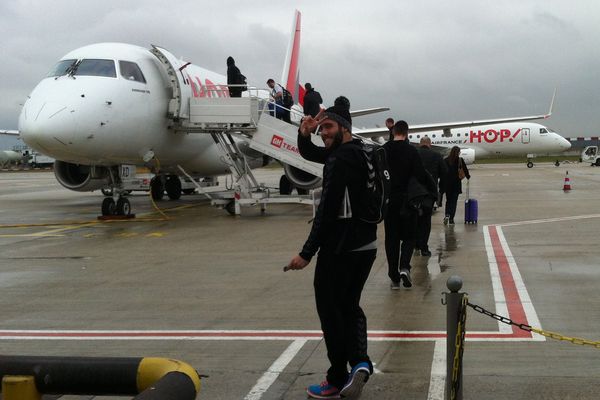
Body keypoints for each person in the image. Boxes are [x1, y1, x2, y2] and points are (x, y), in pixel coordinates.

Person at [286, 96, 375, 399]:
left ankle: (337, 377)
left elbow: (326, 211)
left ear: (344, 129)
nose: (323, 132)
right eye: (321, 127)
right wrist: (305, 132)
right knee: (349, 306)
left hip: (341, 249)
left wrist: (306, 253)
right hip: (367, 246)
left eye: (328, 127)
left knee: (330, 311)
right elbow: (311, 152)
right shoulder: (359, 153)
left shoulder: (339, 159)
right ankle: (360, 363)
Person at [383, 121, 438, 289]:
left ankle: (393, 275)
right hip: (408, 201)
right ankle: (404, 267)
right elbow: (421, 174)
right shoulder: (411, 151)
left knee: (391, 239)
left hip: (389, 201)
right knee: (409, 237)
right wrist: (430, 191)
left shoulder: (383, 150)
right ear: (407, 133)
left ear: (393, 132)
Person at [416, 136, 447, 256]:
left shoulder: (414, 154)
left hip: (414, 193)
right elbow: (444, 173)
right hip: (429, 193)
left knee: (415, 220)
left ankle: (415, 244)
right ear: (430, 144)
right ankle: (424, 247)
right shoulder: (436, 155)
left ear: (420, 144)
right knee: (425, 221)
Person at [442, 146, 471, 225]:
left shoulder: (446, 160)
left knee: (448, 201)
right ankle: (451, 219)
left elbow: (443, 172)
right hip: (456, 184)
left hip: (448, 184)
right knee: (454, 202)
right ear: (458, 152)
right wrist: (468, 176)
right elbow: (465, 169)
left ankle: (447, 215)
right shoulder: (460, 160)